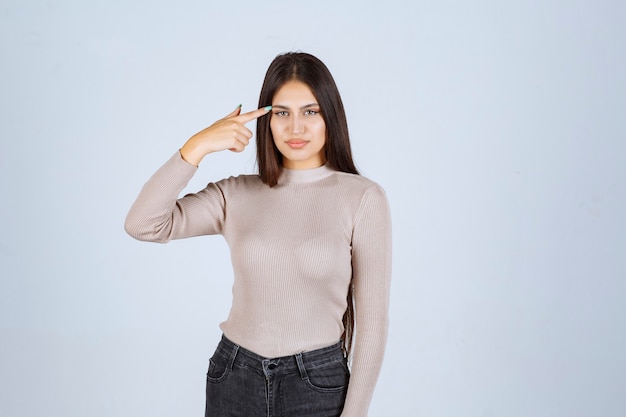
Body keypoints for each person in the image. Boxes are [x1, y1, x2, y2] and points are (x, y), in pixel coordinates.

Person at [124, 52, 392, 417]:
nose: (295, 128)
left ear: (330, 115)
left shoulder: (362, 198)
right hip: (235, 376)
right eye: (282, 113)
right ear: (265, 119)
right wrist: (197, 145)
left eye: (309, 112)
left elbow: (373, 325)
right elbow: (143, 224)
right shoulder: (236, 194)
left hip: (316, 383)